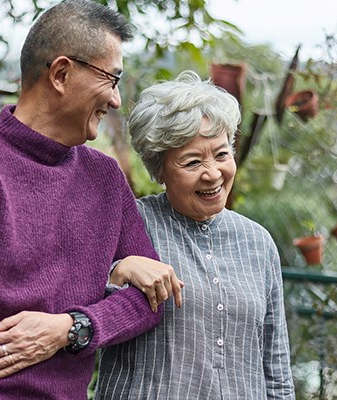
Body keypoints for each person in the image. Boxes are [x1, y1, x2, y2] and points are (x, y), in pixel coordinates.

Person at [0, 1, 181, 398]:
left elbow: (150, 303)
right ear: (62, 73)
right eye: (110, 79)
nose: (116, 100)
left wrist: (71, 328)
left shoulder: (105, 178)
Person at [95, 70, 296, 399]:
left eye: (222, 154)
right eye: (192, 162)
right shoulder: (129, 223)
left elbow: (275, 367)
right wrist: (118, 271)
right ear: (159, 169)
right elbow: (72, 301)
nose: (213, 174)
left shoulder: (258, 243)